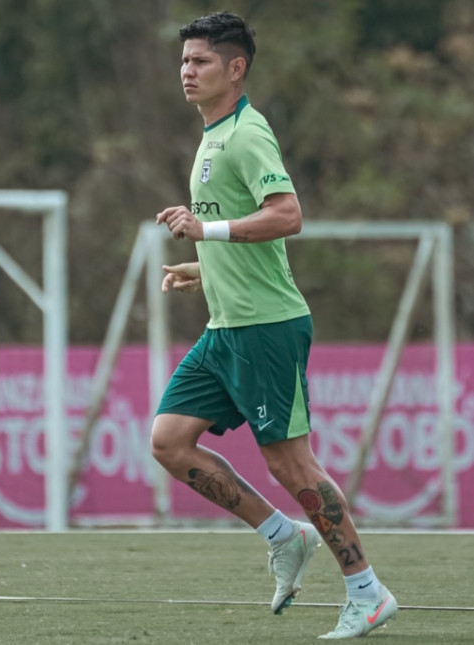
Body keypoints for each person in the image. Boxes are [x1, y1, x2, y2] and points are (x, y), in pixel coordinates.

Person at [152, 11, 396, 639]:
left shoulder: (246, 134)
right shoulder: (211, 135)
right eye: (184, 61)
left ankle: (367, 591)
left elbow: (287, 216)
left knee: (292, 466)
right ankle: (282, 536)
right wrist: (203, 268)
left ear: (235, 69)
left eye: (201, 61)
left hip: (266, 329)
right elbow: (245, 232)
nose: (187, 70)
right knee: (169, 441)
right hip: (225, 326)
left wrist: (205, 231)